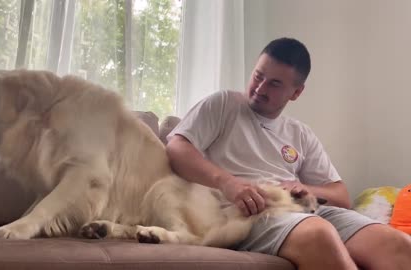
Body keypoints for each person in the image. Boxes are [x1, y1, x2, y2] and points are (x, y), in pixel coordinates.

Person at [166, 37, 411, 270]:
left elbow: (341, 196)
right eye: (258, 76)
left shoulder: (300, 133)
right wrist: (227, 182)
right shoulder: (223, 104)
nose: (260, 88)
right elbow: (177, 148)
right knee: (318, 233)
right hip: (247, 212)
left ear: (296, 92)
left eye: (274, 83)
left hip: (299, 211)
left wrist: (306, 190)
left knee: (398, 244)